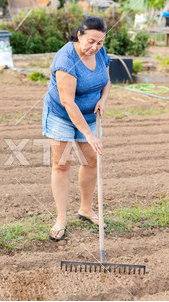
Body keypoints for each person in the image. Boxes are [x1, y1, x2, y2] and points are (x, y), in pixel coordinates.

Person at [42, 17, 111, 242]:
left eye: (100, 42)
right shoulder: (66, 60)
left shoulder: (99, 52)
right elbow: (68, 102)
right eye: (91, 41)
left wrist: (103, 99)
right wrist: (90, 135)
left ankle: (86, 209)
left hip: (89, 113)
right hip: (61, 114)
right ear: (79, 35)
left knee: (91, 160)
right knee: (62, 163)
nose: (95, 47)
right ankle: (61, 219)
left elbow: (106, 80)